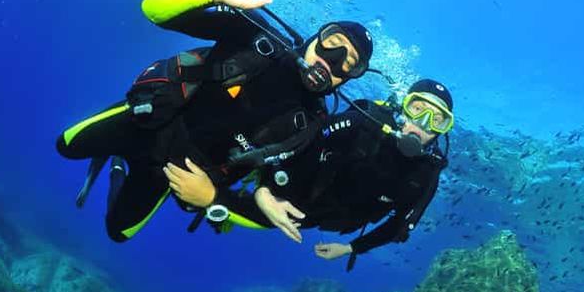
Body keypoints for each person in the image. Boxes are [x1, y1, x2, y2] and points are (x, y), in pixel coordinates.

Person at [56, 0, 374, 242]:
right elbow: (153, 9)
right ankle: (114, 152)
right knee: (65, 147)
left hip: (174, 173)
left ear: (347, 80)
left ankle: (116, 167)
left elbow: (273, 214)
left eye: (350, 64)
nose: (333, 61)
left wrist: (213, 198)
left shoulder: (311, 128)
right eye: (333, 43)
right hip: (144, 122)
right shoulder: (256, 38)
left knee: (118, 233)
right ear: (315, 38)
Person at [168, 79, 454, 270]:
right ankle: (215, 195)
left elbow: (398, 227)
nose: (422, 123)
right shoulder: (363, 122)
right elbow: (304, 142)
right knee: (265, 215)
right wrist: (265, 188)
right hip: (300, 190)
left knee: (273, 217)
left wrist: (350, 248)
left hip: (331, 217)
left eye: (437, 120)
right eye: (417, 109)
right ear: (403, 108)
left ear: (442, 131)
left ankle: (221, 200)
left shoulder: (427, 173)